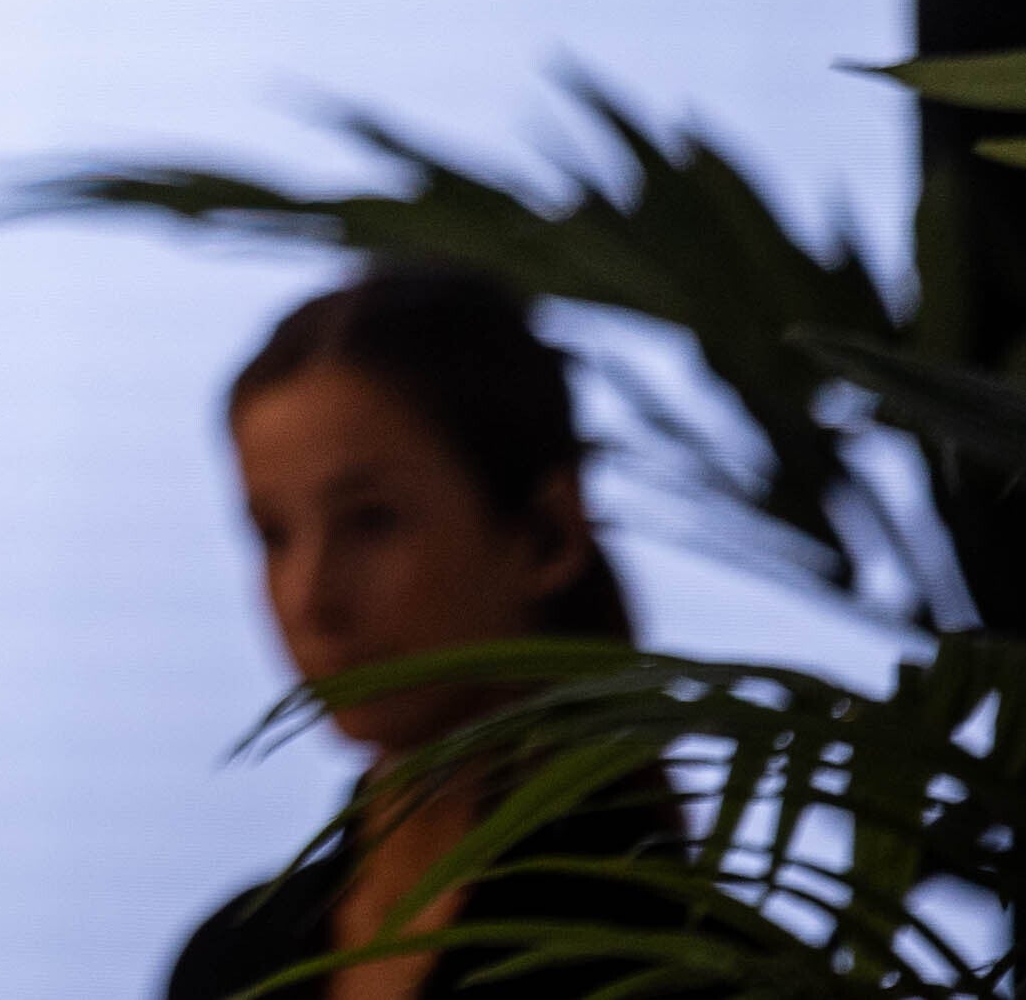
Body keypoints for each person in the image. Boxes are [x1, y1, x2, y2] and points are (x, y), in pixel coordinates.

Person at [171, 265, 667, 1000]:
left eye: (371, 521)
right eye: (273, 535)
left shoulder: (664, 961)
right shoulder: (236, 960)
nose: (310, 597)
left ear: (546, 533)